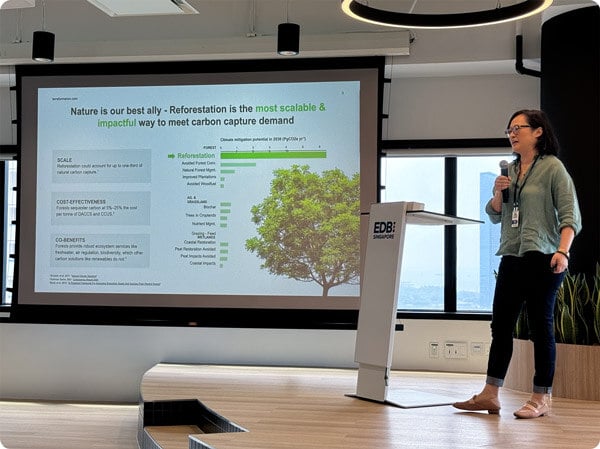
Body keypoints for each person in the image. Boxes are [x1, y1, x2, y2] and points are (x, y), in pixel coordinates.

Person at [453, 109, 582, 419]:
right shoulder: (508, 170)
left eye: (518, 128)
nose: (511, 133)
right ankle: (490, 394)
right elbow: (496, 213)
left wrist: (562, 253)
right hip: (512, 254)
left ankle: (541, 397)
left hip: (544, 257)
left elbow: (570, 216)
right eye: (509, 129)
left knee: (541, 328)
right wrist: (498, 192)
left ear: (537, 132)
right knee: (501, 327)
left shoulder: (553, 168)